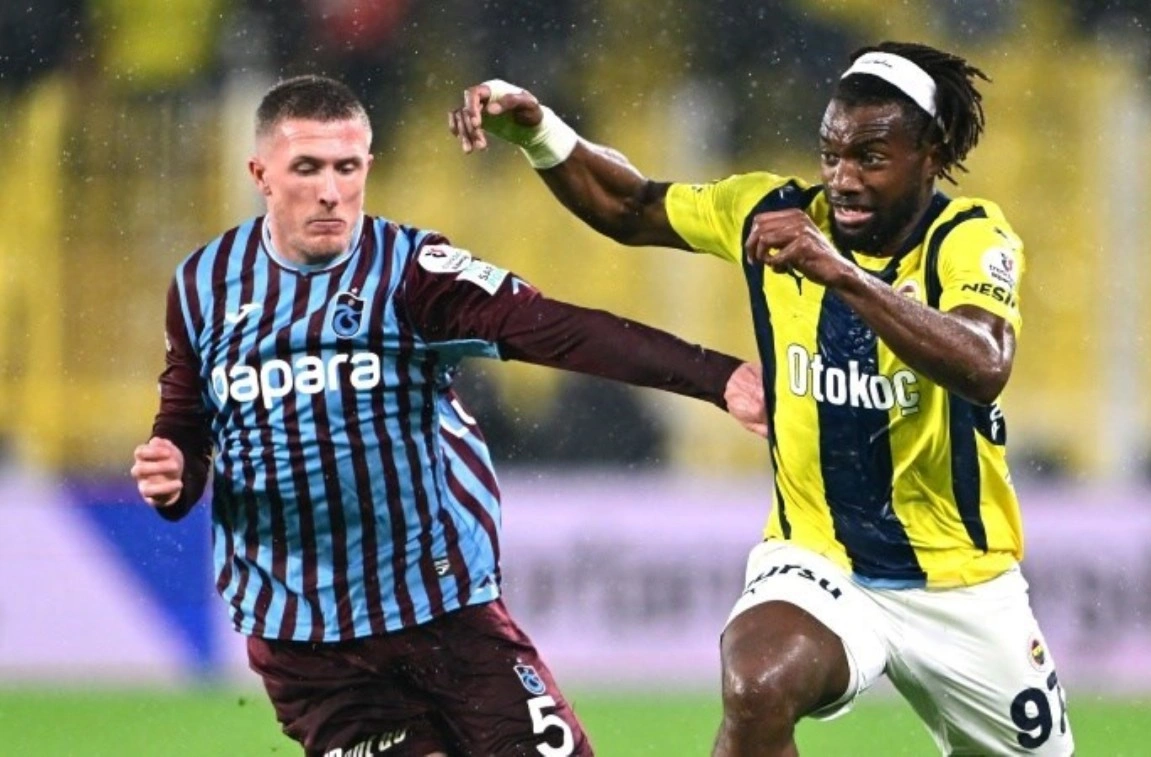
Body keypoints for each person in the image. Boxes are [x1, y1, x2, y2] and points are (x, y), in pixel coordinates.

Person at [451, 40, 1076, 756]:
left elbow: (984, 363)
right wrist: (540, 134)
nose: (843, 179)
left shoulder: (967, 237)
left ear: (930, 154)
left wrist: (841, 274)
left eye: (870, 158)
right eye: (831, 155)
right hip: (821, 558)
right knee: (757, 681)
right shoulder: (771, 210)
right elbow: (631, 205)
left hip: (963, 583)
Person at [129, 74, 765, 757]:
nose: (330, 191)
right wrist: (174, 470)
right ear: (260, 173)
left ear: (369, 166)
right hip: (307, 644)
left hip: (442, 612)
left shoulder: (412, 273)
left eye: (347, 167)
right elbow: (188, 425)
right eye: (307, 168)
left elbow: (557, 329)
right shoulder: (202, 285)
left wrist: (716, 376)